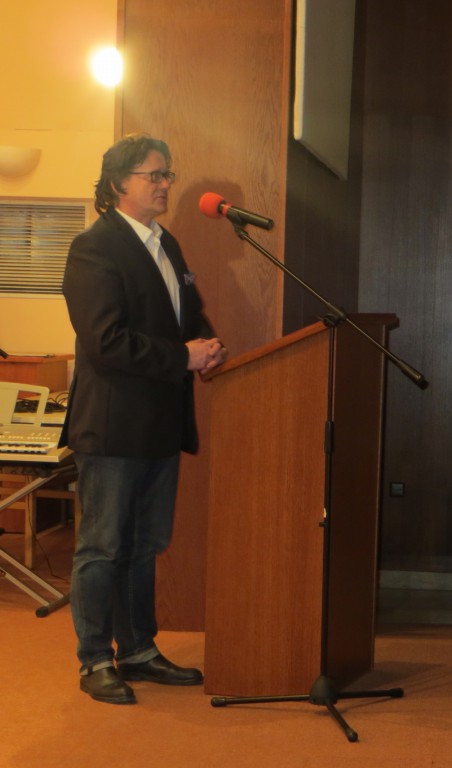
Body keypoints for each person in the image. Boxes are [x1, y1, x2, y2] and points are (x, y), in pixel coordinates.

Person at [62, 134, 228, 705]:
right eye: (154, 175)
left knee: (143, 545)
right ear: (118, 184)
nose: (164, 184)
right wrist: (183, 356)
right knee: (102, 547)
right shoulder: (94, 248)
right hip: (112, 427)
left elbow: (186, 313)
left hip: (160, 421)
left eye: (167, 174)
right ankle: (93, 660)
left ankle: (137, 650)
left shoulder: (167, 244)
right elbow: (105, 340)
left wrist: (205, 343)